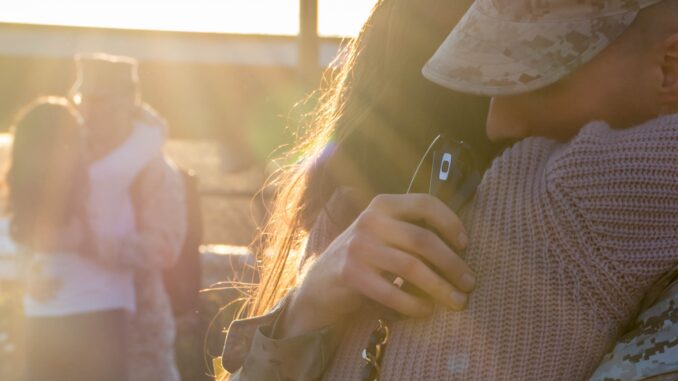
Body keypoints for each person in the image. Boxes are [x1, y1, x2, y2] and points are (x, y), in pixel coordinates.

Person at [221, 0, 678, 380]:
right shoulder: (352, 223)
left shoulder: (354, 218)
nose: (498, 123)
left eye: (541, 83)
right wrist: (309, 300)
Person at [70, 53, 187, 381]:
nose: (87, 109)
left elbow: (164, 246)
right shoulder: (67, 157)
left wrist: (91, 244)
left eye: (99, 100)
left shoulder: (154, 170)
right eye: (82, 98)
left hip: (137, 333)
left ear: (127, 102)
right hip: (72, 325)